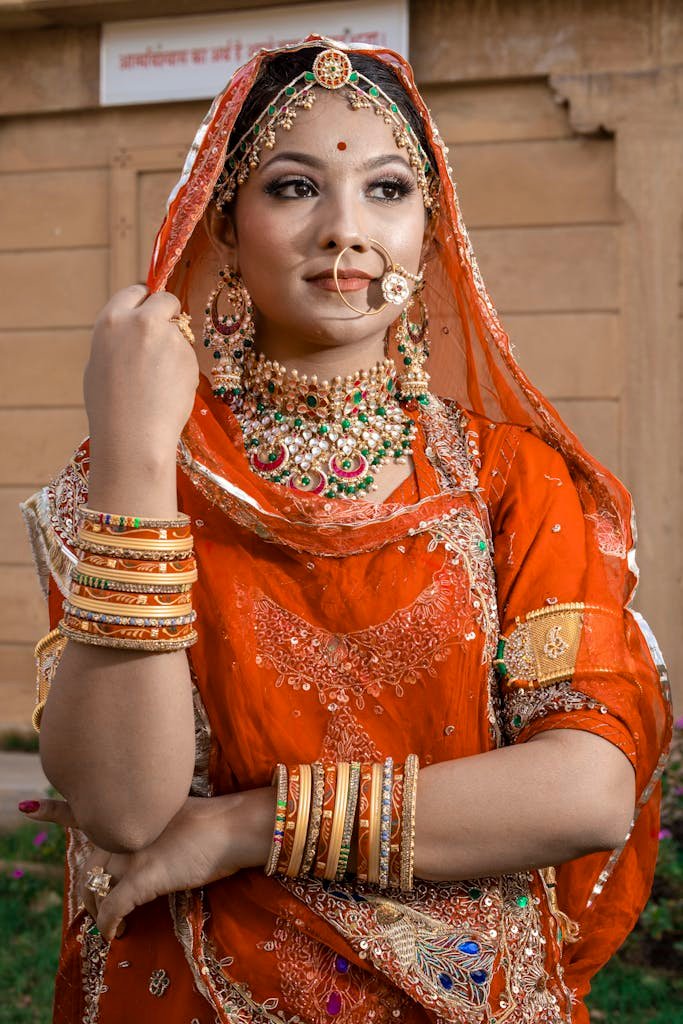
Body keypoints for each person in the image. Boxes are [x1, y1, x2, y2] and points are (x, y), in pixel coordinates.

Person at [19, 35, 671, 1024]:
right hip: (192, 985)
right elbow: (123, 807)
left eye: (386, 190)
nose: (344, 231)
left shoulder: (510, 482)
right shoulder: (140, 472)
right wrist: (140, 456)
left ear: (429, 227)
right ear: (225, 229)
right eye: (291, 188)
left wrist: (248, 825)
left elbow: (583, 790)